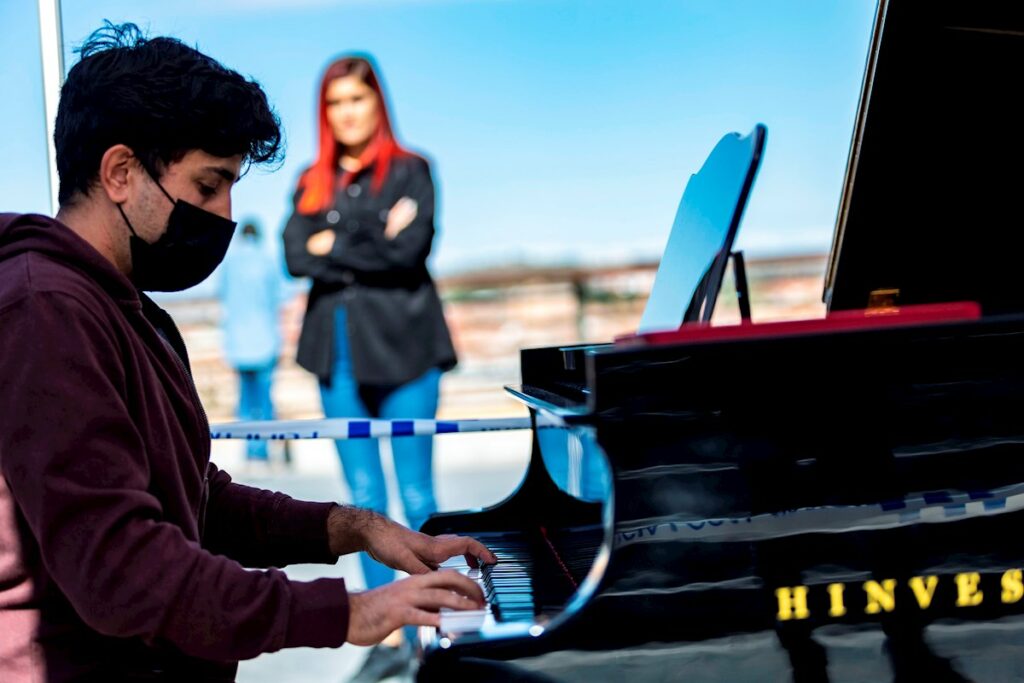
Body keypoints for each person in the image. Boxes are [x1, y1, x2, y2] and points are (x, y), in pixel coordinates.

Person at [0, 23, 495, 683]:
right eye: (208, 186)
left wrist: (356, 527)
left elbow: (195, 502)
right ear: (120, 172)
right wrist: (350, 612)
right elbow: (124, 571)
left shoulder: (123, 307)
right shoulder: (45, 311)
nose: (227, 215)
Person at [283, 55, 458, 681]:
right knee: (363, 503)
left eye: (357, 99)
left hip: (408, 352)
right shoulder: (309, 181)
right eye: (335, 103)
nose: (347, 113)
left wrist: (336, 239)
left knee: (416, 495)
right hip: (338, 356)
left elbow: (410, 249)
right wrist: (372, 232)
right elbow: (294, 255)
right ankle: (387, 630)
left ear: (377, 102)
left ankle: (436, 625)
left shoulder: (414, 171)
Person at [219, 220, 284, 468]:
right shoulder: (268, 261)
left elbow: (223, 296)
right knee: (265, 399)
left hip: (237, 343)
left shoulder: (230, 264)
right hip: (266, 340)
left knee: (245, 399)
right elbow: (279, 296)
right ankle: (263, 449)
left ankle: (251, 449)